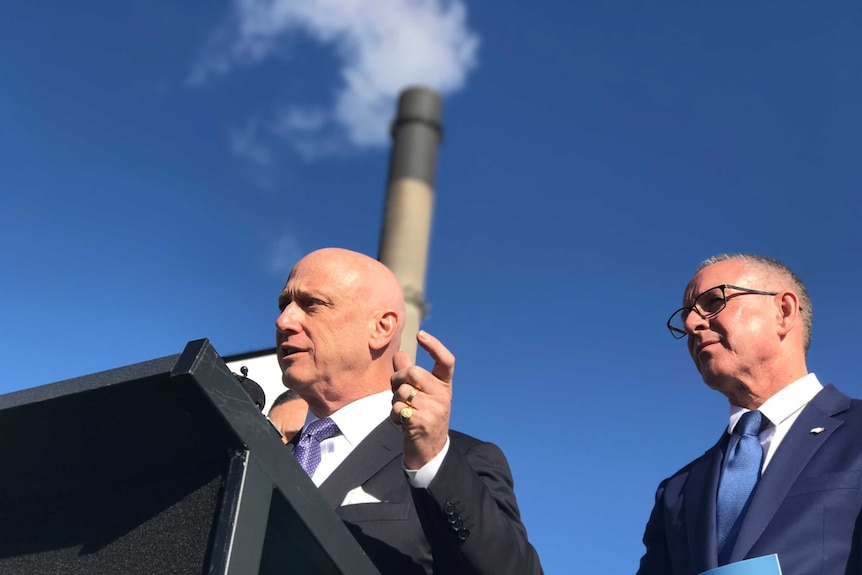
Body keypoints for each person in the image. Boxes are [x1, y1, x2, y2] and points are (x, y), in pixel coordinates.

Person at [275, 247, 543, 575]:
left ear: (381, 328)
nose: (284, 320)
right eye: (283, 304)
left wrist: (431, 462)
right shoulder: (258, 456)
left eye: (311, 304)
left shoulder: (459, 460)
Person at [637, 254, 862, 575]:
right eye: (686, 315)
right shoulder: (678, 490)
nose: (691, 324)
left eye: (714, 301)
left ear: (783, 312)